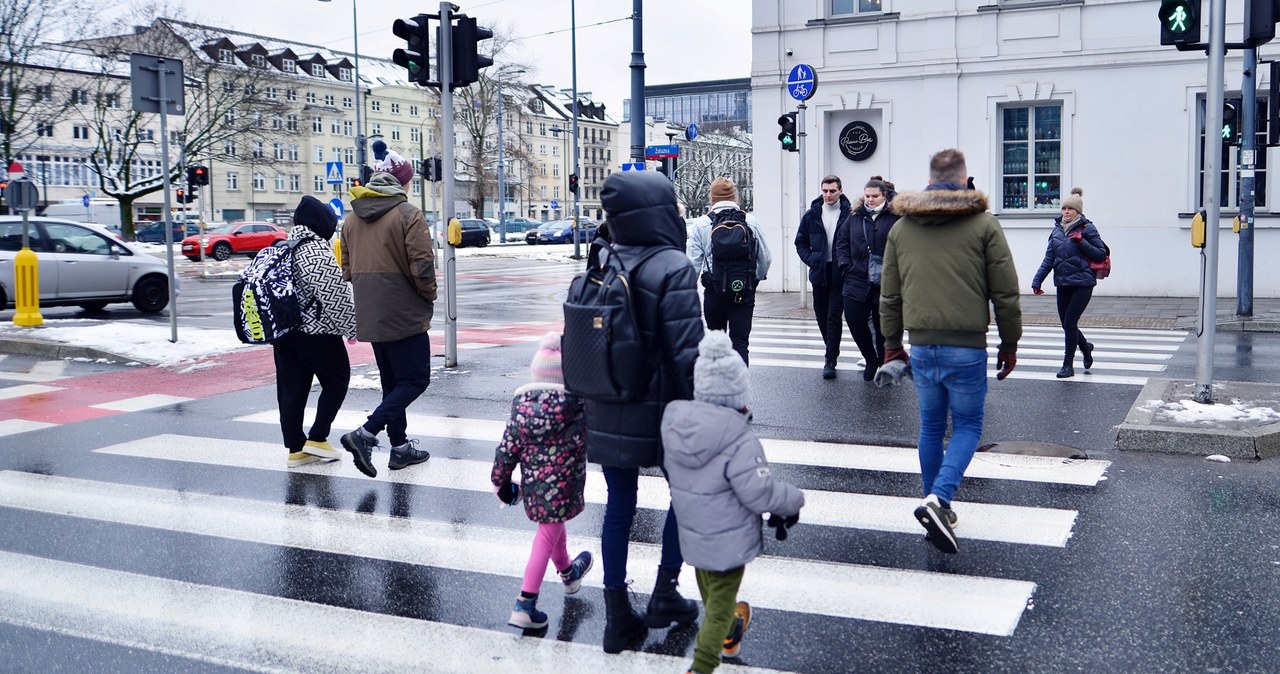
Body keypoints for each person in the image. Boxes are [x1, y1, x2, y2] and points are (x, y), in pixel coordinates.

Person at [575, 170, 704, 654]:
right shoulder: (672, 265)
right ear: (659, 209)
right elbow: (688, 354)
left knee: (619, 506)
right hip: (666, 408)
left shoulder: (602, 260)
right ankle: (666, 593)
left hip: (607, 402)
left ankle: (616, 617)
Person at [880, 149, 1022, 555]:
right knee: (967, 427)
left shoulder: (901, 229)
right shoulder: (984, 225)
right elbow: (1005, 292)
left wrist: (892, 345)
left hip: (921, 344)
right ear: (964, 180)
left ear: (930, 179)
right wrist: (1009, 343)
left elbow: (889, 295)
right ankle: (939, 500)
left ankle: (934, 504)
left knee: (929, 428)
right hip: (966, 346)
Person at [661, 331, 805, 674]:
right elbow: (759, 492)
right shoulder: (739, 438)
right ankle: (703, 664)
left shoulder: (676, 425)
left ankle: (728, 631)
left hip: (692, 534)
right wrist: (793, 499)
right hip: (728, 541)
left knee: (711, 594)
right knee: (721, 605)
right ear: (738, 391)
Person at [490, 332, 594, 630]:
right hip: (566, 484)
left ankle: (569, 574)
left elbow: (506, 449)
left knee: (553, 525)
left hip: (534, 486)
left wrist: (500, 482)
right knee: (548, 533)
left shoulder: (522, 410)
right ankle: (525, 602)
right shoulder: (577, 407)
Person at [339, 170, 436, 478]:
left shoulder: (351, 220)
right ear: (401, 187)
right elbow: (422, 265)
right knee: (416, 379)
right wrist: (427, 296)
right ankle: (366, 434)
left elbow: (346, 268)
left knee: (392, 382)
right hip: (403, 309)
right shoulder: (408, 214)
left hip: (371, 310)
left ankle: (400, 448)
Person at [275, 195, 357, 468]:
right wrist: (352, 328)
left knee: (291, 391)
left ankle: (296, 450)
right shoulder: (316, 251)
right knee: (337, 381)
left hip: (284, 333)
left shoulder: (284, 246)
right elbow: (335, 297)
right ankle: (318, 438)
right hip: (316, 333)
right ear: (322, 225)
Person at [688, 177, 771, 365]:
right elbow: (765, 258)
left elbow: (692, 265)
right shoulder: (750, 220)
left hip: (714, 291)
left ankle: (718, 387)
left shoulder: (701, 224)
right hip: (743, 290)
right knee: (740, 343)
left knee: (716, 343)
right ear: (734, 195)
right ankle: (739, 388)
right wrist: (754, 279)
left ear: (712, 197)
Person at [1031, 187, 1108, 379]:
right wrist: (1037, 280)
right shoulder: (1056, 231)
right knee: (1067, 325)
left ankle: (1068, 365)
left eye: (1070, 209)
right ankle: (1085, 346)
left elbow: (1101, 254)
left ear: (1078, 211)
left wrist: (1081, 241)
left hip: (1083, 283)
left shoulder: (1087, 228)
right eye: (1064, 208)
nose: (1066, 212)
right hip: (1063, 283)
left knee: (1070, 322)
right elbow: (1049, 259)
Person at [834, 176, 898, 382]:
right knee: (854, 320)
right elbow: (842, 242)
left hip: (886, 281)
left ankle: (883, 363)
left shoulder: (895, 217)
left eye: (875, 196)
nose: (870, 200)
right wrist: (845, 265)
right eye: (867, 196)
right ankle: (870, 358)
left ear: (884, 196)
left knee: (882, 328)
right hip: (857, 278)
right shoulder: (855, 216)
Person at [795, 175, 851, 379]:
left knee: (833, 316)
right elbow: (800, 242)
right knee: (821, 316)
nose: (828, 194)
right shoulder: (811, 215)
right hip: (819, 272)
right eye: (825, 191)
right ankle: (832, 349)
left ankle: (830, 359)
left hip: (840, 271)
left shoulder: (850, 214)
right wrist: (812, 259)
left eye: (832, 191)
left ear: (840, 191)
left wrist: (849, 263)